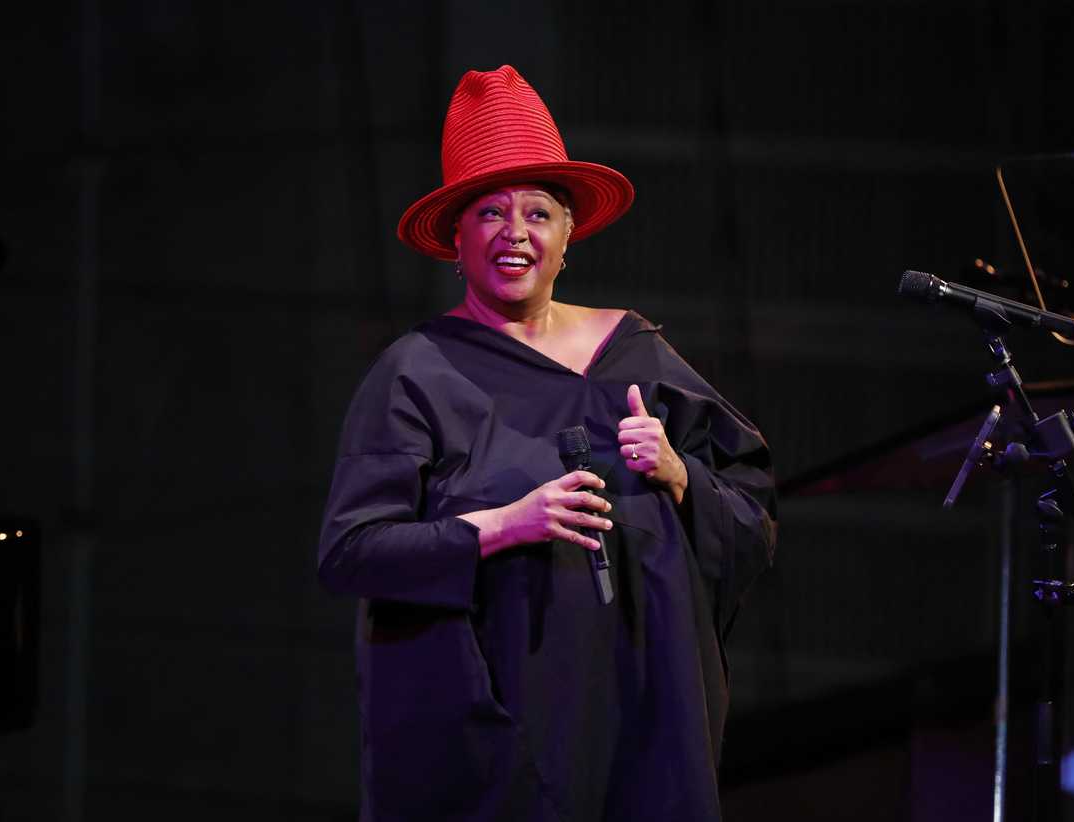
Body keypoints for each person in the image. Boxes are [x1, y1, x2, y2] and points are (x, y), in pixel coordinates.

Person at [317, 65, 777, 822]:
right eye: (491, 213)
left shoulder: (638, 354)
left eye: (539, 213)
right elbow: (351, 552)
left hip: (642, 724)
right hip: (495, 745)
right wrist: (504, 526)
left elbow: (751, 515)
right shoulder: (417, 372)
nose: (516, 234)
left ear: (569, 235)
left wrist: (680, 474)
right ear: (455, 241)